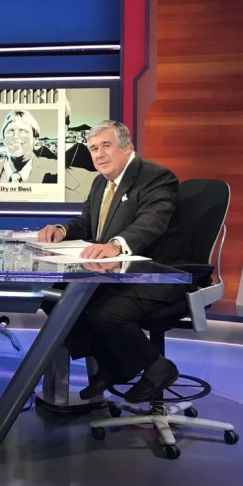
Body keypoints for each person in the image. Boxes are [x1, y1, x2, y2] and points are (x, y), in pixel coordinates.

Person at [37, 120, 183, 403]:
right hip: (114, 276)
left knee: (105, 312)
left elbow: (151, 223)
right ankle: (116, 366)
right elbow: (87, 222)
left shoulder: (155, 177)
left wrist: (115, 245)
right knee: (55, 298)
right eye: (93, 149)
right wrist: (63, 230)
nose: (99, 154)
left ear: (127, 146)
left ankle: (158, 368)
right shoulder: (99, 182)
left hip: (153, 276)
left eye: (106, 146)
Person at [0, 110, 58, 184]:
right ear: (3, 139)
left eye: (22, 130)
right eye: (11, 130)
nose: (16, 136)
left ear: (35, 139)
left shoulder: (55, 170)